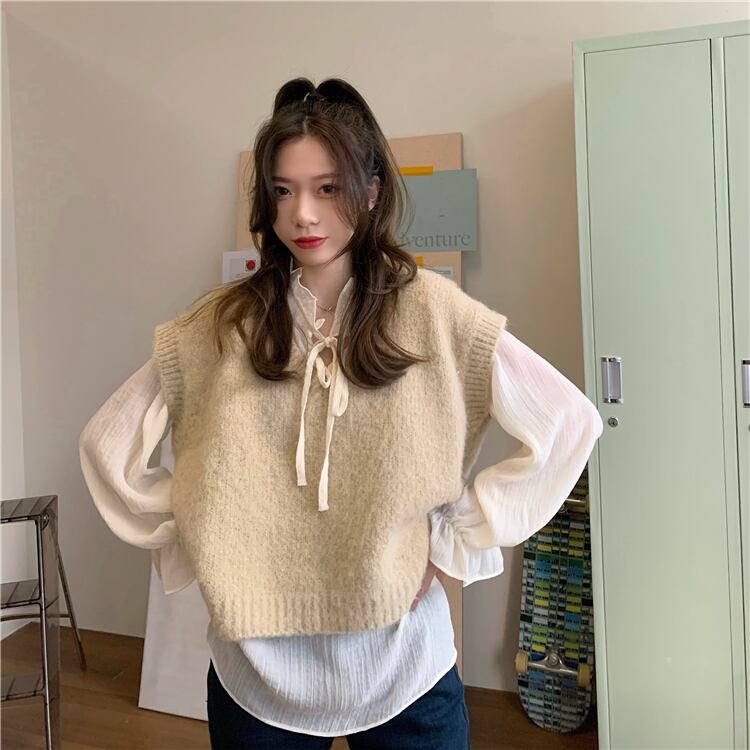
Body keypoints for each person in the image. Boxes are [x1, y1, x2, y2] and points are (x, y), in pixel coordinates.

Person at [79, 77, 604, 749]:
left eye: (327, 188)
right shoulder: (217, 326)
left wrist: (451, 542)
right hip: (256, 677)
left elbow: (568, 421)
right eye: (283, 190)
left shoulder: (434, 313)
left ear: (371, 191)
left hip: (403, 665)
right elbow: (107, 445)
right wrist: (202, 529)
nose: (303, 214)